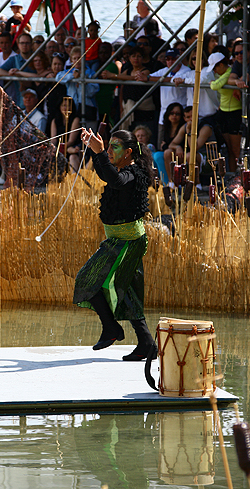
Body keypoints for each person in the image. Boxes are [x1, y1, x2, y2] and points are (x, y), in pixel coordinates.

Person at [75, 127, 158, 362]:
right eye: (109, 145)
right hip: (118, 240)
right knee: (128, 292)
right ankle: (146, 344)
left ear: (129, 151)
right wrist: (96, 151)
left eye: (115, 147)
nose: (110, 150)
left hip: (129, 241)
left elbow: (117, 180)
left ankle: (112, 329)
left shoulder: (135, 173)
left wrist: (100, 152)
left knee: (86, 280)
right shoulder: (122, 169)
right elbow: (107, 174)